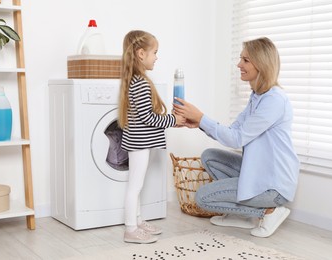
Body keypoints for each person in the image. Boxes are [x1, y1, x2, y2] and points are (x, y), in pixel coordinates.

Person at [173, 37, 300, 238]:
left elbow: (237, 139)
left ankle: (269, 210)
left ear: (261, 64)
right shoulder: (257, 97)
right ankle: (241, 216)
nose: (239, 64)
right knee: (210, 156)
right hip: (260, 172)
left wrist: (201, 116)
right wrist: (199, 123)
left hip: (273, 185)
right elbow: (233, 130)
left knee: (203, 199)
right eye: (241, 59)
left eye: (245, 60)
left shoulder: (274, 101)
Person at [118, 30, 185, 244]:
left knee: (136, 184)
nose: (157, 57)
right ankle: (130, 229)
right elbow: (149, 118)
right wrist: (174, 120)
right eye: (154, 52)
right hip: (139, 143)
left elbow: (145, 116)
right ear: (140, 54)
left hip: (137, 141)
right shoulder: (140, 83)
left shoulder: (135, 80)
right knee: (135, 186)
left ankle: (137, 221)